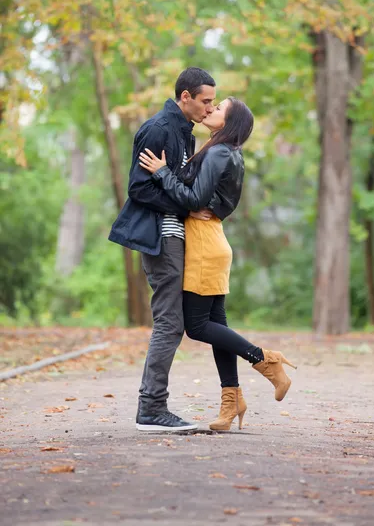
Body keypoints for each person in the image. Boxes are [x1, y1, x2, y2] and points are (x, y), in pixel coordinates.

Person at [139, 96, 297, 431]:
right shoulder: (225, 151)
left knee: (197, 326)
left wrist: (163, 172)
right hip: (212, 239)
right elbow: (203, 197)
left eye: (219, 108)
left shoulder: (220, 151)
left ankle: (264, 360)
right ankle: (232, 400)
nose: (210, 110)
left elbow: (195, 199)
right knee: (216, 325)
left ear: (232, 122)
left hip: (202, 242)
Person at [109, 67, 217, 432]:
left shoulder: (184, 133)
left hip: (176, 237)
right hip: (160, 237)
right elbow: (139, 188)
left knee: (180, 321)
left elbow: (175, 182)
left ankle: (153, 406)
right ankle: (152, 408)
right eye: (205, 101)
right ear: (185, 97)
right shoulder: (159, 129)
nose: (209, 107)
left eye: (213, 102)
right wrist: (186, 207)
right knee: (170, 322)